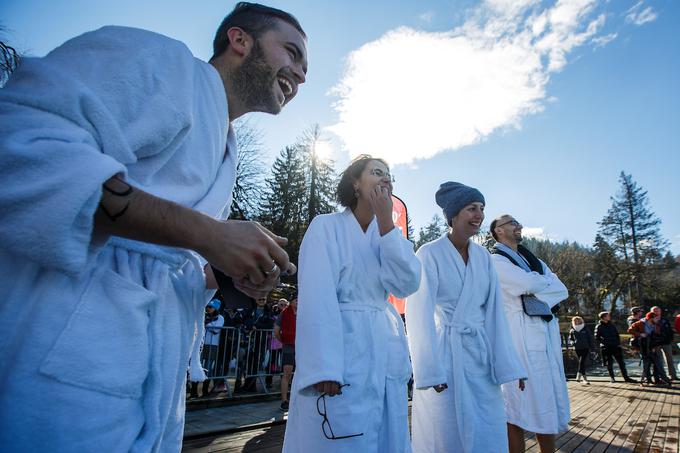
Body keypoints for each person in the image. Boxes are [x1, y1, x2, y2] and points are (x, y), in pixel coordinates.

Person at [0, 3, 307, 451]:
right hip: (70, 341)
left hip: (154, 371)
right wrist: (207, 233)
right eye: (292, 53)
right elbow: (22, 146)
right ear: (240, 40)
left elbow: (175, 258)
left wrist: (228, 270)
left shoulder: (225, 145)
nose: (301, 74)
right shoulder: (160, 62)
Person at [283, 155, 421, 452]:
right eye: (376, 172)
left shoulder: (389, 235)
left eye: (389, 174)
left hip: (383, 353)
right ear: (355, 183)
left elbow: (407, 284)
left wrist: (387, 225)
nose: (386, 179)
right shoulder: (326, 227)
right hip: (343, 356)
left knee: (384, 436)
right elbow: (317, 297)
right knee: (338, 436)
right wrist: (324, 368)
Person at [406, 182, 527, 453]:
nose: (479, 215)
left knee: (487, 424)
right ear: (453, 214)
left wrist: (509, 364)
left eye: (482, 208)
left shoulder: (484, 258)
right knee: (446, 429)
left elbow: (494, 314)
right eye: (472, 208)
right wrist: (428, 369)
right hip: (445, 355)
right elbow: (419, 314)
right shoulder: (429, 253)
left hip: (480, 357)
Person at [490, 214, 570, 453]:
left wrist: (531, 288)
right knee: (515, 406)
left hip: (544, 334)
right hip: (517, 338)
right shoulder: (495, 260)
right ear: (498, 231)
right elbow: (525, 284)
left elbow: (561, 289)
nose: (519, 226)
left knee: (545, 402)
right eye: (512, 223)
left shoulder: (535, 260)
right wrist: (535, 285)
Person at [190, 299, 225, 398]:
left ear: (216, 308)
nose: (208, 309)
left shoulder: (220, 317)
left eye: (211, 307)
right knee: (197, 366)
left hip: (212, 345)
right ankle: (194, 391)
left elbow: (216, 329)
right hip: (200, 344)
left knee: (208, 368)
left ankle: (205, 390)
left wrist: (207, 323)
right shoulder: (203, 316)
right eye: (207, 306)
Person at [628, 312, 671, 386]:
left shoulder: (656, 325)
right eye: (655, 318)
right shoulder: (640, 323)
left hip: (652, 346)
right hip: (643, 346)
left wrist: (655, 347)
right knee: (647, 364)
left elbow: (656, 337)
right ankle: (649, 380)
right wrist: (640, 334)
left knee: (657, 363)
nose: (657, 319)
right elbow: (630, 330)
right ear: (650, 318)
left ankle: (657, 380)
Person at [594, 311, 636, 383]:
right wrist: (605, 343)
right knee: (609, 363)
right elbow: (597, 337)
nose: (609, 317)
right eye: (608, 316)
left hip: (616, 346)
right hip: (606, 347)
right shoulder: (599, 326)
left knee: (621, 362)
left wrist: (618, 343)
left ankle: (626, 378)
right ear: (604, 317)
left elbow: (617, 334)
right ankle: (612, 378)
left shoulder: (612, 325)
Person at [275, 295, 298, 411]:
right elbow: (276, 331)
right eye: (296, 300)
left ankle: (297, 399)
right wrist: (284, 340)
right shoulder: (284, 313)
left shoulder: (305, 312)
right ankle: (284, 400)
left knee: (300, 374)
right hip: (289, 346)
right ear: (291, 301)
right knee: (287, 373)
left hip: (302, 346)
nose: (298, 302)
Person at [651, 306, 678, 380]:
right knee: (659, 360)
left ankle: (673, 375)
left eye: (657, 310)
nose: (656, 312)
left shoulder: (665, 320)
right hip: (656, 343)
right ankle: (662, 376)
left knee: (670, 359)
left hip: (666, 342)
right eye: (654, 311)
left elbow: (669, 330)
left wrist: (671, 339)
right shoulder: (650, 321)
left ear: (660, 311)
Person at [569, 316, 594, 385]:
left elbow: (590, 339)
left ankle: (578, 375)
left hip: (585, 347)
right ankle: (585, 379)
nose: (576, 321)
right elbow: (570, 339)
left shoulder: (585, 328)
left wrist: (593, 349)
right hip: (577, 348)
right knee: (581, 363)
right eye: (575, 321)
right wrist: (572, 342)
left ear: (580, 320)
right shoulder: (572, 330)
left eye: (578, 320)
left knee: (581, 361)